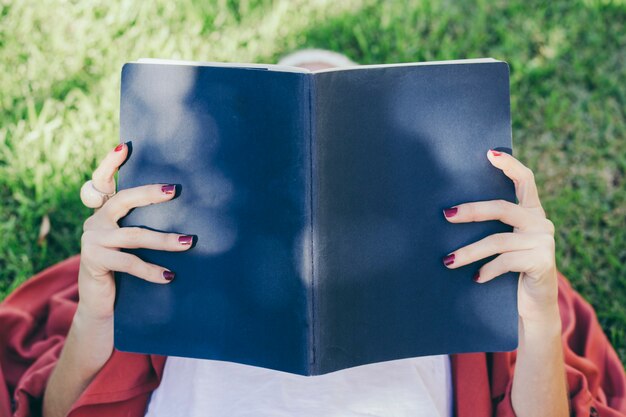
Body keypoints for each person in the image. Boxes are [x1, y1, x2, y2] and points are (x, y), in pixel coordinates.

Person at [0, 50, 624, 417]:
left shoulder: (459, 284)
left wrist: (541, 318)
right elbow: (61, 411)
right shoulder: (179, 290)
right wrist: (95, 315)